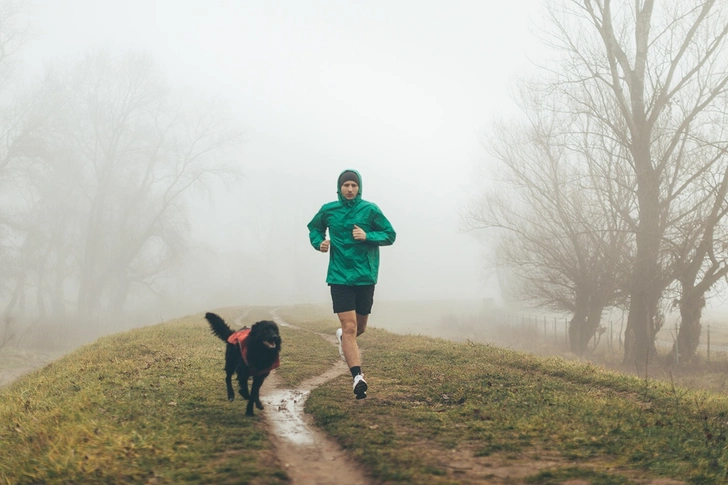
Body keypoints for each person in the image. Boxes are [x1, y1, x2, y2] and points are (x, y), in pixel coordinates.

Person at [307, 169, 396, 399]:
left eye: (353, 185)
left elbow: (390, 234)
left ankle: (343, 339)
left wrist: (368, 236)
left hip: (365, 275)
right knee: (349, 327)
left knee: (359, 328)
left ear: (359, 188)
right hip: (339, 276)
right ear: (339, 188)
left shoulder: (370, 210)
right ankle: (358, 377)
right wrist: (319, 243)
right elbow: (314, 228)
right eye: (346, 185)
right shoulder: (329, 210)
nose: (349, 189)